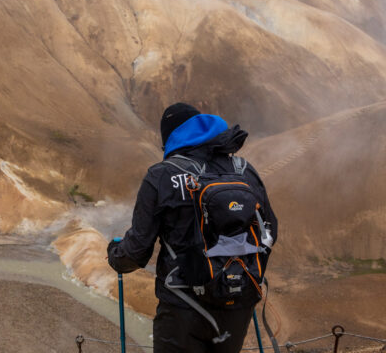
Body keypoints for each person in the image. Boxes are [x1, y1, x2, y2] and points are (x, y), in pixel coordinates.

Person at [107, 103, 278, 353]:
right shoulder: (244, 170)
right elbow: (270, 231)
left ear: (170, 138)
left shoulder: (161, 175)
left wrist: (115, 255)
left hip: (182, 308)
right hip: (238, 302)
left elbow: (136, 252)